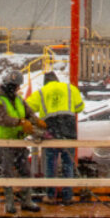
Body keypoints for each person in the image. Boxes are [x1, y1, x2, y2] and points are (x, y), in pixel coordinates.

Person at [27, 70, 86, 203]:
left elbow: (27, 107)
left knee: (50, 166)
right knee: (68, 165)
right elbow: (80, 107)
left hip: (50, 133)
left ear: (45, 82)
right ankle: (67, 196)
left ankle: (51, 196)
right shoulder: (70, 89)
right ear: (57, 79)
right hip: (68, 132)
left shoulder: (41, 92)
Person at [0, 72, 42, 213]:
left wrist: (36, 122)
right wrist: (20, 122)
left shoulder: (19, 100)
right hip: (6, 142)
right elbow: (2, 118)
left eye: (17, 86)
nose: (15, 88)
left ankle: (26, 201)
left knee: (25, 171)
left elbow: (28, 112)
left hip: (19, 140)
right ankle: (9, 202)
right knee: (7, 172)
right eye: (13, 86)